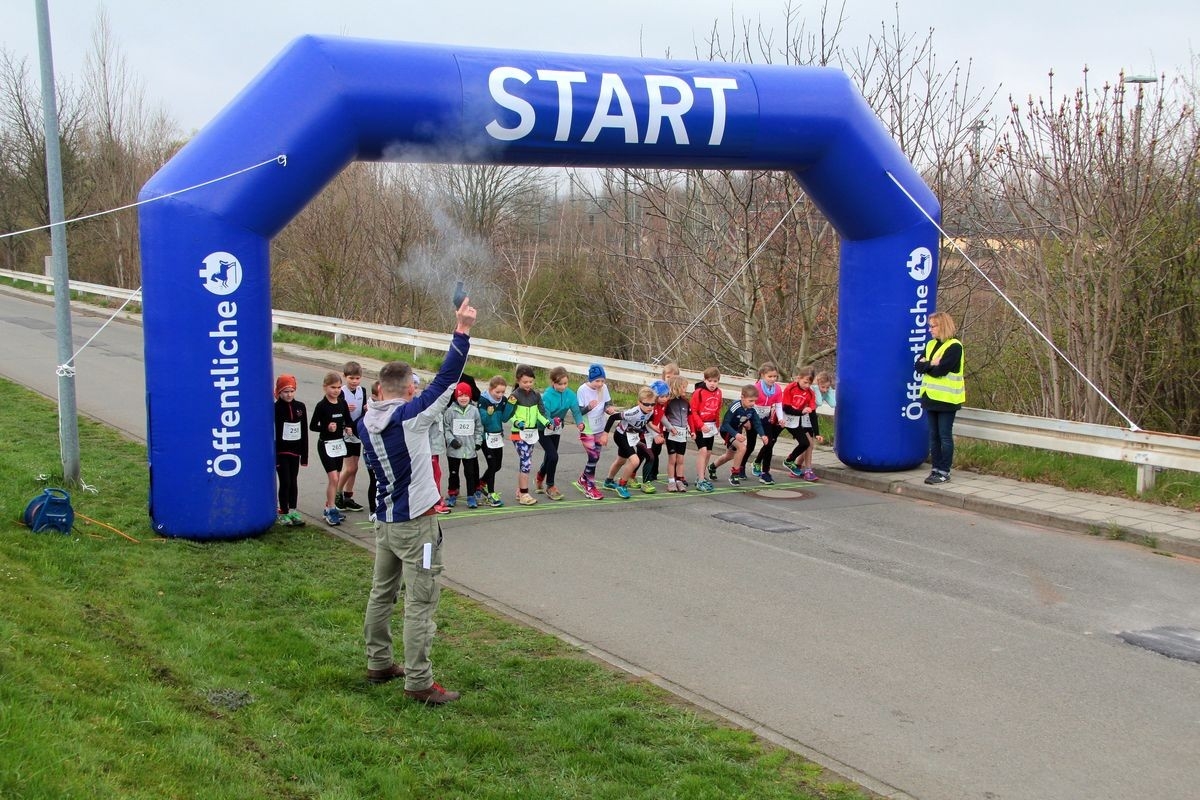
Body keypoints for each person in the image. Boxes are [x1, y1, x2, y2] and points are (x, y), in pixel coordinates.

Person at [358, 296, 476, 705]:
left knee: (381, 593)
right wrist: (461, 331)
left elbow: (430, 389)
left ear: (378, 388)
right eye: (414, 388)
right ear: (408, 389)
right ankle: (419, 682)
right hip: (416, 527)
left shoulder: (366, 420)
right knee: (421, 600)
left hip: (385, 522)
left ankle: (378, 662)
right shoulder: (410, 416)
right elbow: (446, 380)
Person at [915, 310, 965, 485]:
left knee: (944, 435)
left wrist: (928, 365)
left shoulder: (954, 346)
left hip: (947, 399)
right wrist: (931, 364)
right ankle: (935, 468)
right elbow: (917, 366)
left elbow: (941, 371)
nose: (930, 330)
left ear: (942, 326)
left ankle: (944, 470)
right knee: (933, 435)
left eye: (932, 326)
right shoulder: (930, 345)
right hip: (930, 397)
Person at [309, 371, 353, 526]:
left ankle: (329, 507)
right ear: (325, 387)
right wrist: (326, 427)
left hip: (338, 445)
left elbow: (348, 420)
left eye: (339, 387)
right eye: (333, 387)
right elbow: (313, 426)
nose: (336, 390)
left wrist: (348, 428)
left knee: (336, 478)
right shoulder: (322, 406)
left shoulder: (342, 403)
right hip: (326, 445)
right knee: (333, 478)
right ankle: (331, 509)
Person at [536, 366, 586, 501]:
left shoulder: (570, 394)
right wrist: (551, 422)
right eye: (559, 384)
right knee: (553, 456)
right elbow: (545, 414)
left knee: (550, 456)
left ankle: (540, 475)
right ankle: (550, 486)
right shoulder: (547, 396)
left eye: (565, 383)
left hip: (557, 428)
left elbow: (576, 410)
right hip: (543, 428)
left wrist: (579, 422)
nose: (563, 387)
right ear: (553, 383)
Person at [602, 386, 660, 499]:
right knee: (635, 461)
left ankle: (608, 481)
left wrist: (652, 430)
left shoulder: (651, 412)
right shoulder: (633, 412)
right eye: (646, 404)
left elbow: (646, 421)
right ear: (639, 402)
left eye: (653, 404)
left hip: (631, 436)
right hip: (621, 435)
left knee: (621, 460)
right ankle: (622, 485)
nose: (650, 407)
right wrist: (605, 434)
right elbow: (613, 417)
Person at [710, 384, 768, 485]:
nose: (753, 404)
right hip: (727, 431)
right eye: (750, 401)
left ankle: (712, 467)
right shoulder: (735, 406)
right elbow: (725, 423)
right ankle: (735, 474)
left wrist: (762, 435)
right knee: (742, 448)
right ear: (742, 397)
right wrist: (735, 434)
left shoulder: (752, 410)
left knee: (729, 456)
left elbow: (757, 423)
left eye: (754, 401)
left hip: (737, 431)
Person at [574, 363, 617, 500]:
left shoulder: (604, 388)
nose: (600, 384)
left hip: (600, 426)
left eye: (602, 381)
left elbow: (606, 404)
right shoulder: (582, 390)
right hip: (587, 427)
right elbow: (578, 411)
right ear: (590, 379)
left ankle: (583, 479)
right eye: (597, 381)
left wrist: (608, 409)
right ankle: (590, 487)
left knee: (596, 457)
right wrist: (588, 407)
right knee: (592, 457)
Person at [509, 365, 549, 506]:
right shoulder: (514, 396)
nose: (528, 385)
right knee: (526, 462)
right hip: (518, 434)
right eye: (525, 382)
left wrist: (547, 423)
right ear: (518, 381)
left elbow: (540, 413)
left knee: (525, 462)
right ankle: (524, 494)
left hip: (532, 434)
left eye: (530, 382)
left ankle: (520, 490)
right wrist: (518, 422)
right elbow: (509, 415)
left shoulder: (536, 395)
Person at [273, 374, 308, 526]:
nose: (289, 394)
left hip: (296, 451)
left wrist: (304, 455)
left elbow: (304, 431)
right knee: (285, 481)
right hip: (282, 452)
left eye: (292, 391)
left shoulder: (300, 407)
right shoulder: (275, 408)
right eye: (285, 391)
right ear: (279, 392)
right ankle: (284, 511)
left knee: (293, 482)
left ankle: (293, 510)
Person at [443, 381, 483, 509]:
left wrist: (478, 442)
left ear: (470, 396)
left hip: (469, 448)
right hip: (454, 449)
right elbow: (446, 428)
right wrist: (451, 440)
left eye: (466, 395)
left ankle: (471, 496)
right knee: (453, 472)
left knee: (470, 473)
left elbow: (479, 427)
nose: (463, 398)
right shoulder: (450, 411)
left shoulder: (474, 411)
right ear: (456, 396)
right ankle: (453, 493)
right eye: (460, 395)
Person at [477, 375, 513, 507]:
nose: (500, 395)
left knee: (497, 465)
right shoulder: (483, 400)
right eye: (497, 392)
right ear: (490, 389)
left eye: (503, 392)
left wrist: (510, 405)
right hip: (485, 437)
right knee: (492, 465)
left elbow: (504, 418)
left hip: (497, 437)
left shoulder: (503, 400)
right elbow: (483, 421)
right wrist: (489, 413)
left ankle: (480, 483)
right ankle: (491, 493)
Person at [336, 361, 367, 513]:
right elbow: (333, 410)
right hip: (345, 432)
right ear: (345, 377)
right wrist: (343, 408)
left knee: (355, 468)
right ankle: (337, 493)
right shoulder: (340, 392)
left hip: (356, 432)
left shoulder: (363, 391)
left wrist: (366, 409)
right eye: (351, 378)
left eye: (357, 378)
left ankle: (348, 496)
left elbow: (363, 412)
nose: (354, 381)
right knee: (349, 467)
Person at [779, 368, 820, 481]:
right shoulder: (790, 388)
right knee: (769, 442)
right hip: (782, 419)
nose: (807, 385)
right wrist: (801, 412)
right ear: (798, 378)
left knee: (805, 443)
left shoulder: (810, 393)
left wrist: (817, 433)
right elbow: (786, 408)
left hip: (795, 421)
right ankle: (759, 463)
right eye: (805, 382)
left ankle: (789, 460)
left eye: (809, 383)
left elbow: (812, 413)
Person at [747, 362, 784, 485]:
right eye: (770, 376)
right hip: (753, 417)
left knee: (769, 443)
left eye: (775, 376)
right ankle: (740, 468)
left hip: (765, 418)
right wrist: (747, 419)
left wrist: (781, 418)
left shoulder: (777, 389)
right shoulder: (756, 388)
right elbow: (748, 404)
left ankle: (765, 473)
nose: (773, 379)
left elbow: (778, 405)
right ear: (763, 375)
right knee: (750, 446)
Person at [689, 367, 723, 492]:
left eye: (715, 381)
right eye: (710, 381)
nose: (712, 384)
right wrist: (700, 425)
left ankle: (701, 475)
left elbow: (718, 409)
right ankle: (701, 480)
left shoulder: (719, 392)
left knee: (708, 452)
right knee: (702, 451)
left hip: (711, 425)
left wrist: (718, 425)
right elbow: (693, 411)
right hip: (700, 425)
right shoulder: (699, 392)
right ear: (705, 380)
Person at [637, 380, 670, 492]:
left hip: (655, 434)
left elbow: (662, 417)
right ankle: (636, 478)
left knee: (652, 455)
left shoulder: (662, 405)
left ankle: (648, 478)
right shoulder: (650, 406)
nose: (664, 399)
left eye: (666, 396)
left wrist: (670, 427)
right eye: (662, 397)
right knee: (642, 457)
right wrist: (655, 435)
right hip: (644, 435)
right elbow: (647, 423)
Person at [662, 375, 692, 492]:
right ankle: (671, 481)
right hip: (672, 433)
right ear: (677, 387)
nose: (685, 389)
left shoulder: (685, 402)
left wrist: (691, 430)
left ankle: (679, 479)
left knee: (681, 459)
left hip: (682, 433)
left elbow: (688, 417)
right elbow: (661, 415)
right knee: (672, 459)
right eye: (684, 387)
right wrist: (669, 428)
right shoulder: (668, 402)